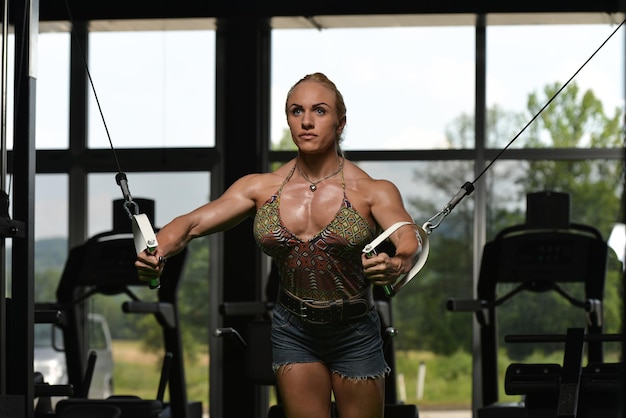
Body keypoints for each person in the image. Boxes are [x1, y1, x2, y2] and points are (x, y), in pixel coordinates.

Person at [135, 72, 421, 418]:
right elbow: (192, 222)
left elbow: (408, 237)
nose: (306, 121)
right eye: (296, 111)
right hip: (293, 327)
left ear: (340, 122)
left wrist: (398, 263)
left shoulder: (373, 190)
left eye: (319, 111)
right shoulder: (262, 187)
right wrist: (158, 249)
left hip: (354, 329)